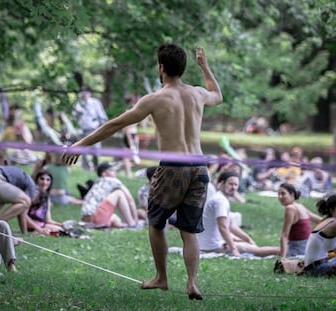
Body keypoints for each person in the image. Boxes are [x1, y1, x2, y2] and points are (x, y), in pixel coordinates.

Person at [62, 44, 223, 300]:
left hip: (173, 168)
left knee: (156, 223)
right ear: (182, 68)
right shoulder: (197, 94)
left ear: (161, 68)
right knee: (188, 230)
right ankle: (192, 283)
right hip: (199, 168)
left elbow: (115, 124)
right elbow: (218, 94)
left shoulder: (155, 99)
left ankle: (161, 278)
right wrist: (204, 65)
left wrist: (80, 144)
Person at [197, 171, 280, 257]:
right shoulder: (220, 201)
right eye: (230, 184)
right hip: (212, 247)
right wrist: (234, 249)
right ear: (221, 183)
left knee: (247, 244)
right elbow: (223, 227)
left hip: (209, 244)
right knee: (257, 251)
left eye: (236, 185)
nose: (233, 187)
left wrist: (249, 240)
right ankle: (285, 250)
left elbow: (232, 226)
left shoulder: (221, 198)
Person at [0, 165, 38, 234]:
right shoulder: (32, 187)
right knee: (26, 201)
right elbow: (22, 214)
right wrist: (25, 232)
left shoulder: (10, 186)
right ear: (37, 193)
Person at [80, 162, 138, 228]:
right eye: (112, 170)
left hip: (86, 220)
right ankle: (132, 224)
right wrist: (136, 220)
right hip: (96, 217)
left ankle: (106, 223)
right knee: (119, 193)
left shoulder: (97, 182)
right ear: (104, 174)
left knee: (116, 219)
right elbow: (130, 199)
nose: (115, 172)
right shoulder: (112, 180)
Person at [278, 183, 321, 257]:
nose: (280, 197)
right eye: (278, 194)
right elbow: (320, 220)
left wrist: (282, 259)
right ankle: (252, 247)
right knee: (270, 250)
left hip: (298, 249)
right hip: (308, 246)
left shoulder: (290, 208)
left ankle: (252, 248)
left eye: (283, 194)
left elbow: (284, 235)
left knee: (260, 251)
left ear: (292, 195)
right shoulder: (300, 206)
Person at [72, 85, 108, 171]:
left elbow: (103, 118)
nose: (84, 94)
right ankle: (86, 169)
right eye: (82, 93)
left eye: (86, 92)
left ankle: (97, 169)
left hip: (94, 130)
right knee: (83, 151)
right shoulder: (78, 104)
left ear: (90, 93)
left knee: (95, 151)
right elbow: (74, 120)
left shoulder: (95, 103)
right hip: (82, 131)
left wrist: (99, 128)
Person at [26, 170, 64, 235]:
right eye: (42, 179)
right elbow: (24, 216)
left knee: (62, 231)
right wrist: (39, 229)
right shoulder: (32, 194)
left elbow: (48, 220)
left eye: (48, 180)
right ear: (36, 180)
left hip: (42, 225)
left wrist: (61, 224)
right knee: (55, 232)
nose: (44, 182)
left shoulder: (47, 198)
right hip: (31, 227)